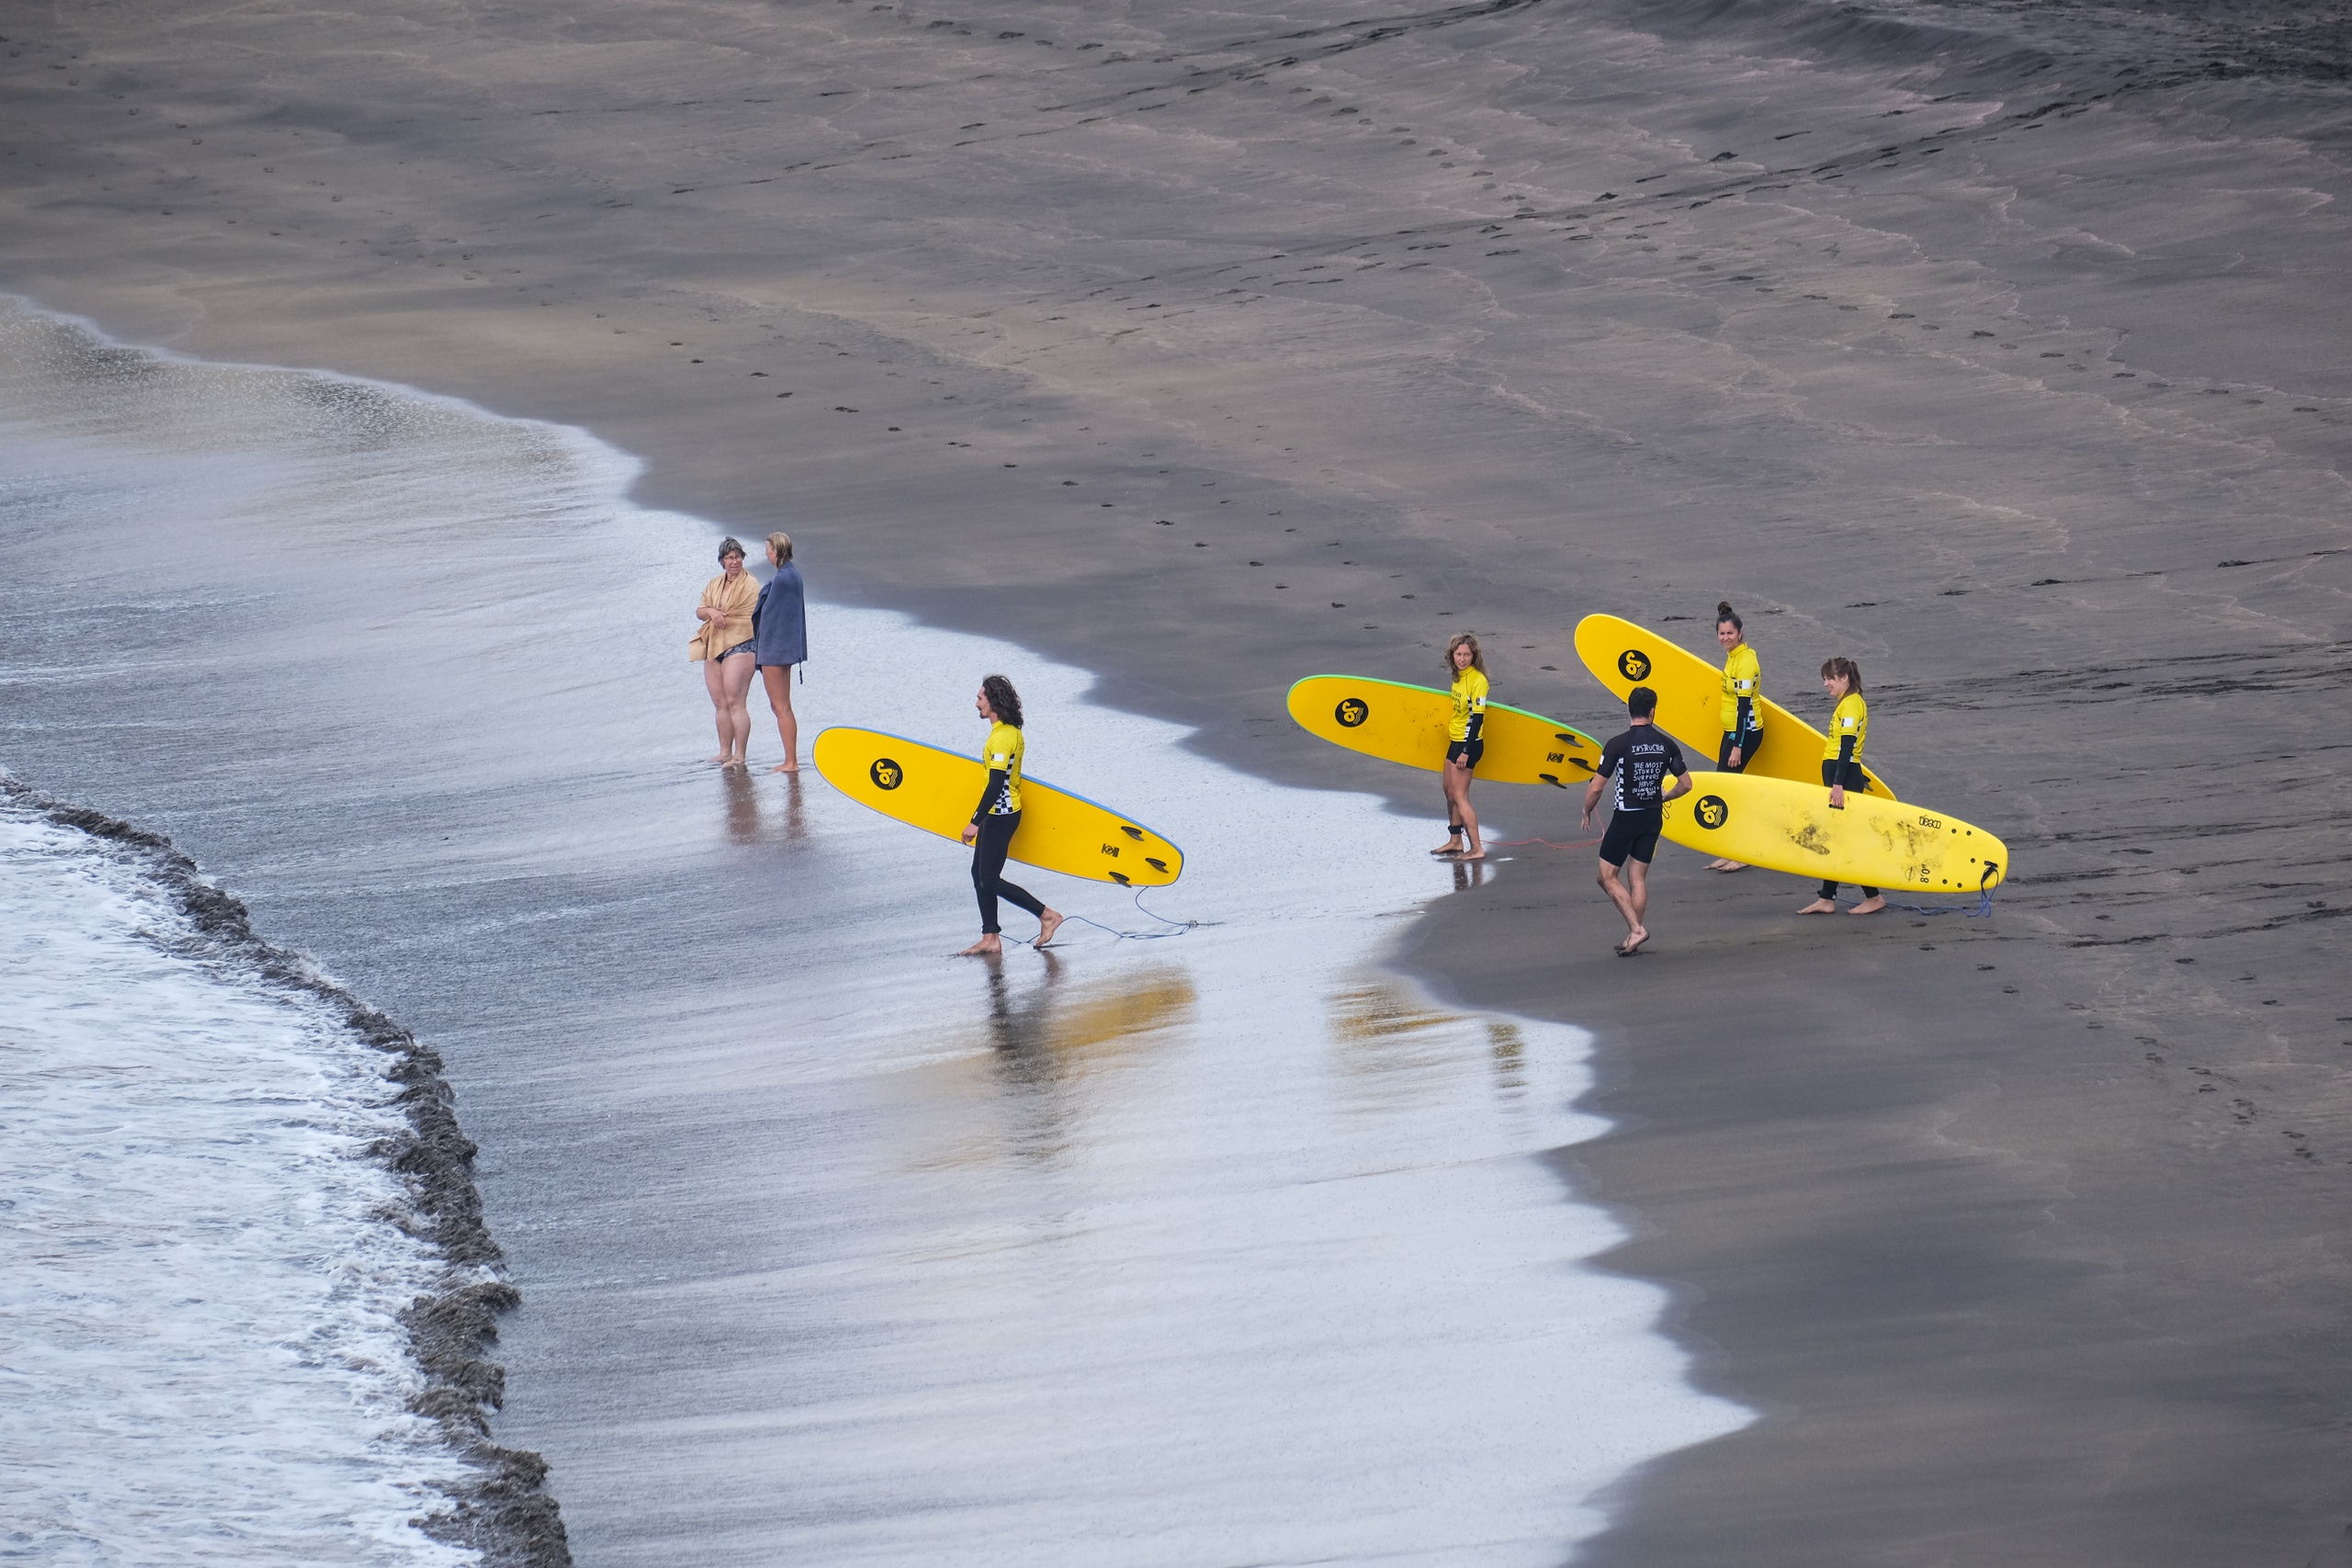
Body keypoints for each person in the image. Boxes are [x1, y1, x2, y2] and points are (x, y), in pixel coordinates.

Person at [956, 674, 1066, 956]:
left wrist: (975, 822)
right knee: (979, 874)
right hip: (998, 812)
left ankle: (1047, 915)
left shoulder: (1003, 738)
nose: (976, 702)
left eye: (980, 698)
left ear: (993, 702)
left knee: (989, 879)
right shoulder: (1007, 731)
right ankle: (990, 937)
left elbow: (996, 784)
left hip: (1002, 814)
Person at [1581, 685, 1693, 955]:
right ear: (1653, 711)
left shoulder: (1617, 744)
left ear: (1629, 710)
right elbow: (1686, 784)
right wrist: (1666, 798)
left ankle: (1637, 929)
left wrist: (1586, 811)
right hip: (1653, 818)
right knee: (1637, 877)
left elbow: (1596, 787)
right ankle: (1634, 934)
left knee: (1606, 877)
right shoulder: (1666, 744)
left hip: (1626, 819)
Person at [1798, 656, 1884, 916]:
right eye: (1824, 678)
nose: (1826, 684)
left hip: (1843, 778)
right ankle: (1827, 898)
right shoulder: (1847, 703)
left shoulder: (1851, 706)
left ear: (1844, 678)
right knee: (1837, 838)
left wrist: (1838, 784)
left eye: (1829, 678)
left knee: (1844, 839)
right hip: (1843, 775)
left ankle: (1873, 896)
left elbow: (1847, 747)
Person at [689, 537, 760, 768]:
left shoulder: (751, 584)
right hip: (714, 645)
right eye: (730, 557)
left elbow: (747, 613)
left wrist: (720, 614)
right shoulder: (714, 584)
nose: (734, 561)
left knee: (735, 701)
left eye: (738, 556)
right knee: (720, 703)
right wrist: (712, 611)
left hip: (741, 644)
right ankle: (724, 752)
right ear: (722, 561)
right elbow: (700, 611)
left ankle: (740, 755)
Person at [1707, 601, 1762, 872]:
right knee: (1723, 788)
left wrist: (1738, 746)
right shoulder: (1733, 658)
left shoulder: (1746, 662)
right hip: (1733, 732)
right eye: (1721, 634)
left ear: (1740, 633)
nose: (1725, 638)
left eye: (1730, 633)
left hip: (1745, 733)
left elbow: (1744, 709)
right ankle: (1729, 851)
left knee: (1729, 792)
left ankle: (1742, 853)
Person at [752, 531, 808, 773]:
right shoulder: (791, 575)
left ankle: (791, 762)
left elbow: (770, 618)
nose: (765, 553)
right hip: (783, 649)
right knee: (782, 706)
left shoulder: (784, 579)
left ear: (775, 551)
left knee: (781, 707)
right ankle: (790, 760)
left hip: (775, 651)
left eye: (767, 549)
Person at [1431, 633, 1489, 860]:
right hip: (1455, 740)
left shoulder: (1478, 681)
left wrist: (1465, 750)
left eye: (1467, 654)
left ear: (1474, 656)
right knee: (1448, 791)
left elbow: (1478, 718)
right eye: (1458, 654)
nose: (1462, 659)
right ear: (1452, 655)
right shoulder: (1458, 678)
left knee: (1460, 795)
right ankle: (1456, 841)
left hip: (1470, 744)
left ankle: (1477, 848)